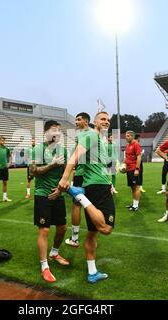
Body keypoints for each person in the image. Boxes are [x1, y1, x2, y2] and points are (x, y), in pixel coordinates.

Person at [58, 111, 115, 284]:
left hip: (101, 183)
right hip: (97, 187)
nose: (106, 122)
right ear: (95, 122)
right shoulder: (90, 134)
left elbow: (101, 165)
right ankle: (79, 196)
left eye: (108, 120)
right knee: (106, 228)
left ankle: (92, 272)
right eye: (103, 119)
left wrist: (110, 182)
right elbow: (75, 156)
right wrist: (65, 178)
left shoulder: (99, 138)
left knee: (92, 234)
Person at [29, 120, 70, 283]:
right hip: (42, 194)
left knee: (62, 228)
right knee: (44, 230)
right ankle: (44, 266)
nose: (57, 133)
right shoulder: (38, 149)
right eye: (54, 130)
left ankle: (54, 253)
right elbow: (33, 172)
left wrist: (60, 189)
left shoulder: (63, 150)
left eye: (59, 131)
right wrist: (52, 165)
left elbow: (68, 170)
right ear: (46, 133)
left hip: (58, 194)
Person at [65, 113, 90, 248]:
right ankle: (92, 238)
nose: (76, 121)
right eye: (75, 119)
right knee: (92, 205)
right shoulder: (95, 134)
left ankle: (74, 238)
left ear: (86, 121)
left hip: (83, 174)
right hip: (94, 176)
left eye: (79, 119)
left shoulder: (83, 135)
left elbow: (76, 156)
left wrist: (67, 176)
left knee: (77, 204)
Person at [124, 131, 142, 212]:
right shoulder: (127, 145)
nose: (126, 137)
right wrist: (124, 164)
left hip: (134, 169)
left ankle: (136, 205)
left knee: (136, 187)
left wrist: (137, 169)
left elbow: (139, 157)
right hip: (128, 169)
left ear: (132, 136)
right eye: (126, 136)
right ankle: (134, 203)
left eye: (127, 136)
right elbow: (127, 157)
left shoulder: (136, 144)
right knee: (132, 187)